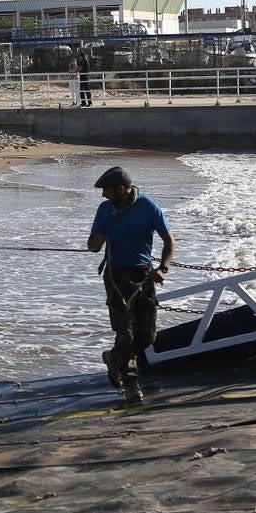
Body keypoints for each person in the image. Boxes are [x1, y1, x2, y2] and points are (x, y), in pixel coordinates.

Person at [86, 166, 175, 402]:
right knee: (125, 332)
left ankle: (113, 357)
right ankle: (131, 384)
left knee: (147, 336)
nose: (103, 195)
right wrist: (103, 235)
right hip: (116, 276)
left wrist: (163, 268)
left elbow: (168, 240)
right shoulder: (105, 210)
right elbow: (92, 246)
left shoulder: (148, 207)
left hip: (145, 275)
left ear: (121, 189)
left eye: (106, 190)